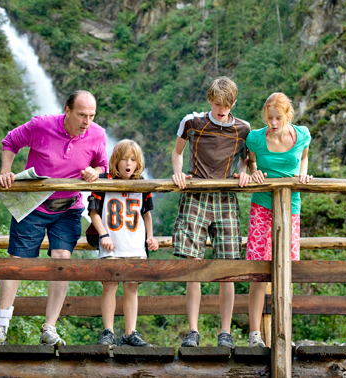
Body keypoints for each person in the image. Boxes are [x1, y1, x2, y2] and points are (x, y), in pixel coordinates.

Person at [0, 90, 108, 347]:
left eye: (92, 115)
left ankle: (49, 329)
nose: (87, 121)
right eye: (82, 115)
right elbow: (10, 141)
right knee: (17, 262)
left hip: (70, 206)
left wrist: (94, 173)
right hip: (34, 204)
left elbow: (102, 164)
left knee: (62, 260)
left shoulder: (98, 133)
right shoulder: (41, 125)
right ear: (67, 110)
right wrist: (6, 171)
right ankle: (0, 327)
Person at [171, 76, 252, 348]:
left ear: (234, 103)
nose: (222, 109)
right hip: (196, 193)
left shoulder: (243, 128)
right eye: (217, 103)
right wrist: (177, 173)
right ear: (210, 100)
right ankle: (193, 331)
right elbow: (177, 152)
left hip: (226, 196)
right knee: (193, 263)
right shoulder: (193, 122)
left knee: (227, 265)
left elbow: (245, 160)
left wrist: (242, 174)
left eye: (227, 105)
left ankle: (225, 332)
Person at [243, 92, 312, 347]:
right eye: (269, 118)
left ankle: (284, 333)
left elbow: (303, 156)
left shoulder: (301, 135)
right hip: (262, 206)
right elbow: (250, 161)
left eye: (278, 118)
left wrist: (302, 175)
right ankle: (255, 335)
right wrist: (254, 171)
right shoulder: (256, 139)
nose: (273, 123)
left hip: (291, 206)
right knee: (259, 271)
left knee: (286, 270)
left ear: (288, 116)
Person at [86, 139, 158, 347]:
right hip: (112, 244)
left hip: (135, 245)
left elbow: (146, 215)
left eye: (133, 159)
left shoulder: (142, 183)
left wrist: (150, 237)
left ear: (138, 163)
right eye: (124, 159)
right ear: (115, 161)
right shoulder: (103, 180)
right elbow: (93, 212)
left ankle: (130, 332)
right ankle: (108, 331)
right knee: (109, 285)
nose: (128, 163)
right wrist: (103, 235)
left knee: (132, 287)